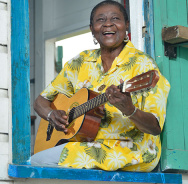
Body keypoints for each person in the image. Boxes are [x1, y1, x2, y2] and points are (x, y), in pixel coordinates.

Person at [32, 0, 170, 172]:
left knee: (38, 161)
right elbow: (40, 102)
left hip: (130, 150)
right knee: (37, 159)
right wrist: (52, 114)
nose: (108, 23)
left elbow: (154, 127)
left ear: (126, 25)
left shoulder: (144, 66)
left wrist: (129, 109)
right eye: (100, 20)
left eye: (115, 18)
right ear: (92, 28)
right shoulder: (81, 62)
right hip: (86, 145)